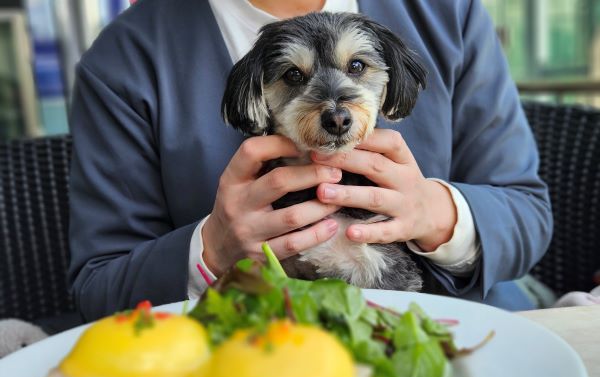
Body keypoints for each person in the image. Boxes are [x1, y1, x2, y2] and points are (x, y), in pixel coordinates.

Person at [68, 0, 553, 321]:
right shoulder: (125, 58)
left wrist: (437, 213)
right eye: (293, 77)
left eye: (358, 67)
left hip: (464, 330)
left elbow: (527, 213)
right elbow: (99, 288)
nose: (336, 112)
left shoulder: (450, 11)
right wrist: (211, 251)